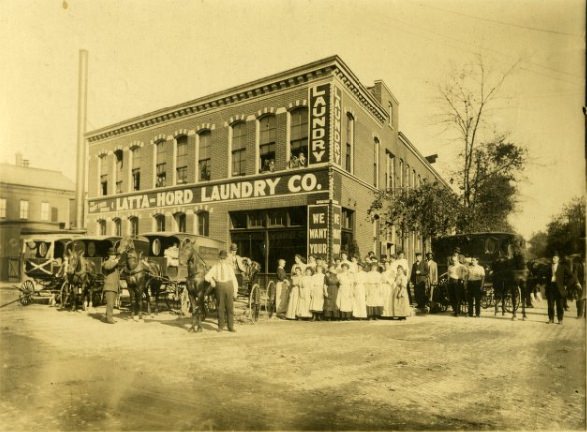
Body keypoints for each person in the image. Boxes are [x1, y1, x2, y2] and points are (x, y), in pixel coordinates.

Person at [205, 250, 239, 332]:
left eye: (223, 258)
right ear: (219, 258)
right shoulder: (215, 267)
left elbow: (234, 279)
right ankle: (221, 326)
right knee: (220, 307)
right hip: (219, 287)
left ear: (226, 259)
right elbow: (206, 277)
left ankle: (230, 326)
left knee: (230, 307)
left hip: (229, 286)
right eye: (221, 258)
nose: (222, 260)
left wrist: (235, 291)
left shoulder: (229, 267)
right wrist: (212, 281)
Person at [545, 252, 572, 325]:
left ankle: (560, 319)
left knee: (560, 305)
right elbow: (543, 276)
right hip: (551, 288)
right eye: (553, 258)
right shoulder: (548, 267)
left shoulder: (563, 267)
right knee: (550, 305)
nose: (554, 259)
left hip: (560, 289)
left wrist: (566, 285)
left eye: (555, 258)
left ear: (558, 259)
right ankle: (551, 319)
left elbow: (571, 276)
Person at [101, 247, 120, 324]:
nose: (114, 256)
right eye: (113, 255)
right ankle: (109, 319)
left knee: (111, 303)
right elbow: (108, 267)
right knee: (110, 303)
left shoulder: (113, 263)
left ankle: (108, 316)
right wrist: (115, 261)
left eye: (115, 255)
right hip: (109, 287)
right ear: (109, 255)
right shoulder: (107, 262)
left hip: (113, 287)